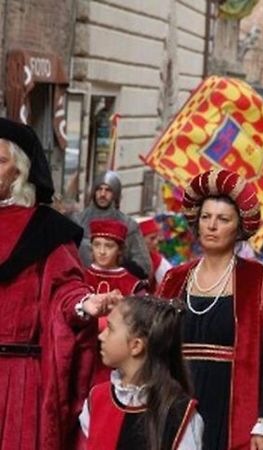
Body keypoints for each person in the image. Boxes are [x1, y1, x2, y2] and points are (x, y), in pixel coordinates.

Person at [0, 118, 120, 450]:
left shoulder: (45, 229)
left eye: (0, 160)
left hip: (18, 380)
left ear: (19, 171)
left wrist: (85, 304)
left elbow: (66, 289)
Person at [157, 169, 263, 450]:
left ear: (239, 227)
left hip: (232, 406)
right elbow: (155, 347)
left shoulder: (259, 279)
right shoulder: (174, 279)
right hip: (177, 401)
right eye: (206, 218)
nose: (212, 226)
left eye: (222, 219)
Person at [80, 295, 203, 449]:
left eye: (110, 329)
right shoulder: (96, 400)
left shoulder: (179, 415)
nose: (101, 336)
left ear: (136, 345)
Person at [85, 218, 145, 384]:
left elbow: (142, 321)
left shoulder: (132, 283)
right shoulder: (80, 278)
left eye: (109, 246)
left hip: (119, 357)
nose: (102, 251)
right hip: (85, 353)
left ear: (119, 250)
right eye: (97, 245)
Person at [74, 170, 151, 277]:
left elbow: (144, 265)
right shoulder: (78, 221)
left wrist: (119, 271)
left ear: (115, 193)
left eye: (108, 190)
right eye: (99, 189)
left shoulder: (128, 225)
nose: (102, 194)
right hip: (83, 283)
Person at [139, 217, 172, 292]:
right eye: (152, 238)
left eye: (156, 238)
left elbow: (171, 287)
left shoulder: (158, 262)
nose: (156, 242)